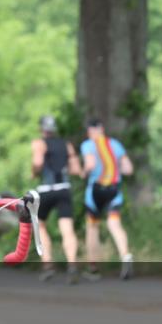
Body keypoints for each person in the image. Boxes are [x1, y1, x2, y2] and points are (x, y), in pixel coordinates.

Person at [79, 119, 134, 280]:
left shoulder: (88, 144)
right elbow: (128, 169)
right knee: (114, 224)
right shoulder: (115, 144)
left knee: (92, 228)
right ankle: (125, 255)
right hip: (114, 190)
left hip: (96, 190)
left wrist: (84, 173)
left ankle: (93, 268)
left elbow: (89, 164)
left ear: (93, 131)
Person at [31, 115, 82, 282]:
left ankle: (48, 265)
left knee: (40, 226)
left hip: (46, 190)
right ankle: (72, 265)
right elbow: (75, 170)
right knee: (67, 228)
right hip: (64, 189)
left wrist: (34, 172)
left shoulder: (39, 143)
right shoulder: (66, 144)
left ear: (42, 129)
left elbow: (38, 163)